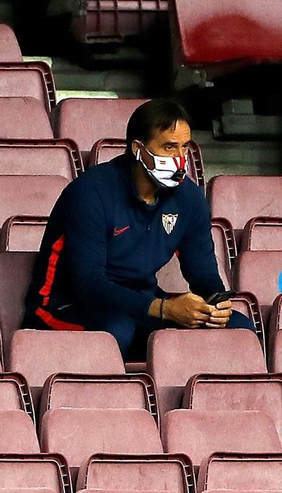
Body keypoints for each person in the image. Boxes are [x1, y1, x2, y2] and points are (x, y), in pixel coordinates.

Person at [22, 97, 255, 357]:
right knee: (117, 330)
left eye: (184, 147)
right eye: (169, 147)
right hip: (63, 306)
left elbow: (203, 273)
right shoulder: (91, 193)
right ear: (137, 149)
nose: (180, 159)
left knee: (239, 328)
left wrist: (216, 304)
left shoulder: (189, 198)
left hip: (143, 305)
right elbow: (87, 284)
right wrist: (164, 309)